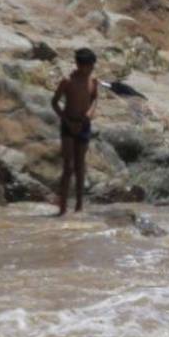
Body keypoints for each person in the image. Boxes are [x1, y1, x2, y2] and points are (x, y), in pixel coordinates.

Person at [51, 48, 99, 216]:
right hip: (68, 124)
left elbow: (94, 98)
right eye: (88, 66)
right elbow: (54, 102)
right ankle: (62, 208)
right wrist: (67, 121)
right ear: (79, 65)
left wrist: (90, 113)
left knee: (80, 166)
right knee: (68, 167)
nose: (90, 69)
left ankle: (79, 207)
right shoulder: (67, 81)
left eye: (92, 66)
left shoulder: (93, 81)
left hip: (84, 124)